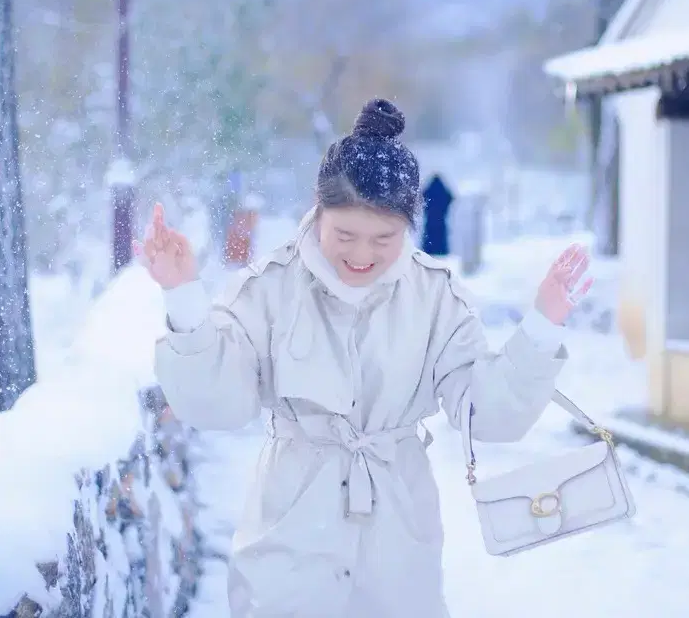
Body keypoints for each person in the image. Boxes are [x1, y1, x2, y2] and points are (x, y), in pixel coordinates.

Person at [138, 98, 593, 618]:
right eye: (345, 235)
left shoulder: (435, 295)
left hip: (397, 538)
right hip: (290, 533)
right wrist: (183, 298)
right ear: (318, 211)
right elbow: (220, 405)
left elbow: (484, 413)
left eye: (384, 238)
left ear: (409, 226)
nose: (362, 255)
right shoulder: (271, 287)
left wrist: (540, 325)